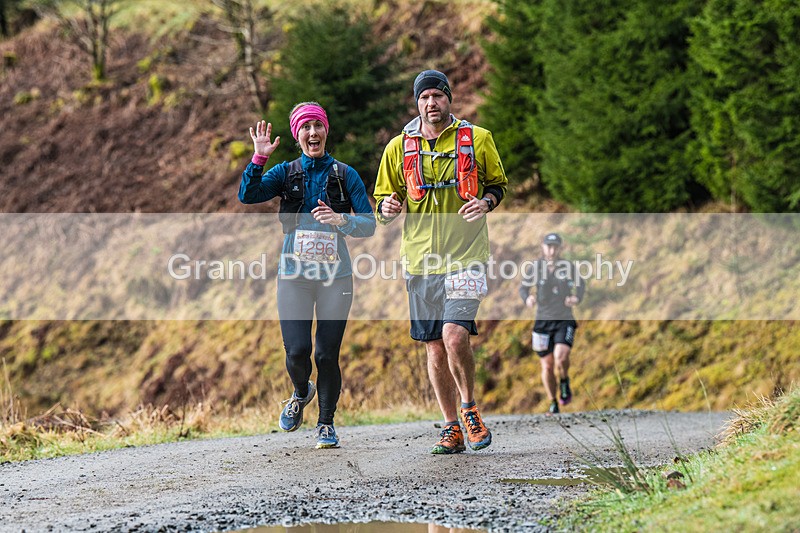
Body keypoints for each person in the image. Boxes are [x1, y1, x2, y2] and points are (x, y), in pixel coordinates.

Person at [373, 70, 508, 454]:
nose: (431, 103)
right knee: (434, 347)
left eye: (437, 95)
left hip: (466, 257)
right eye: (424, 97)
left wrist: (486, 203)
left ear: (449, 98)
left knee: (454, 335)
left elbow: (498, 184)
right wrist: (387, 207)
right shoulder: (398, 148)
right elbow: (382, 203)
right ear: (416, 104)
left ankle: (469, 408)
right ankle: (450, 427)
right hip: (419, 261)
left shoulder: (477, 139)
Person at [238, 102, 376, 448]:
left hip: (336, 278)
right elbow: (248, 195)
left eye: (318, 126)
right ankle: (302, 392)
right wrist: (258, 159)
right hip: (294, 276)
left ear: (326, 130)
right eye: (305, 128)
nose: (312, 133)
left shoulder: (346, 175)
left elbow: (369, 224)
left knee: (326, 354)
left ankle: (326, 424)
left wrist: (342, 220)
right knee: (297, 350)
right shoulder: (286, 173)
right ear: (297, 134)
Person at [518, 232, 585, 415]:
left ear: (560, 248)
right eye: (549, 246)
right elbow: (523, 288)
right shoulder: (536, 267)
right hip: (542, 321)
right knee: (547, 366)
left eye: (555, 246)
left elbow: (581, 285)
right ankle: (553, 401)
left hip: (564, 319)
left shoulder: (568, 267)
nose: (552, 250)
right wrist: (528, 298)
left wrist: (576, 298)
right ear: (543, 247)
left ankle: (564, 380)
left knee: (560, 358)